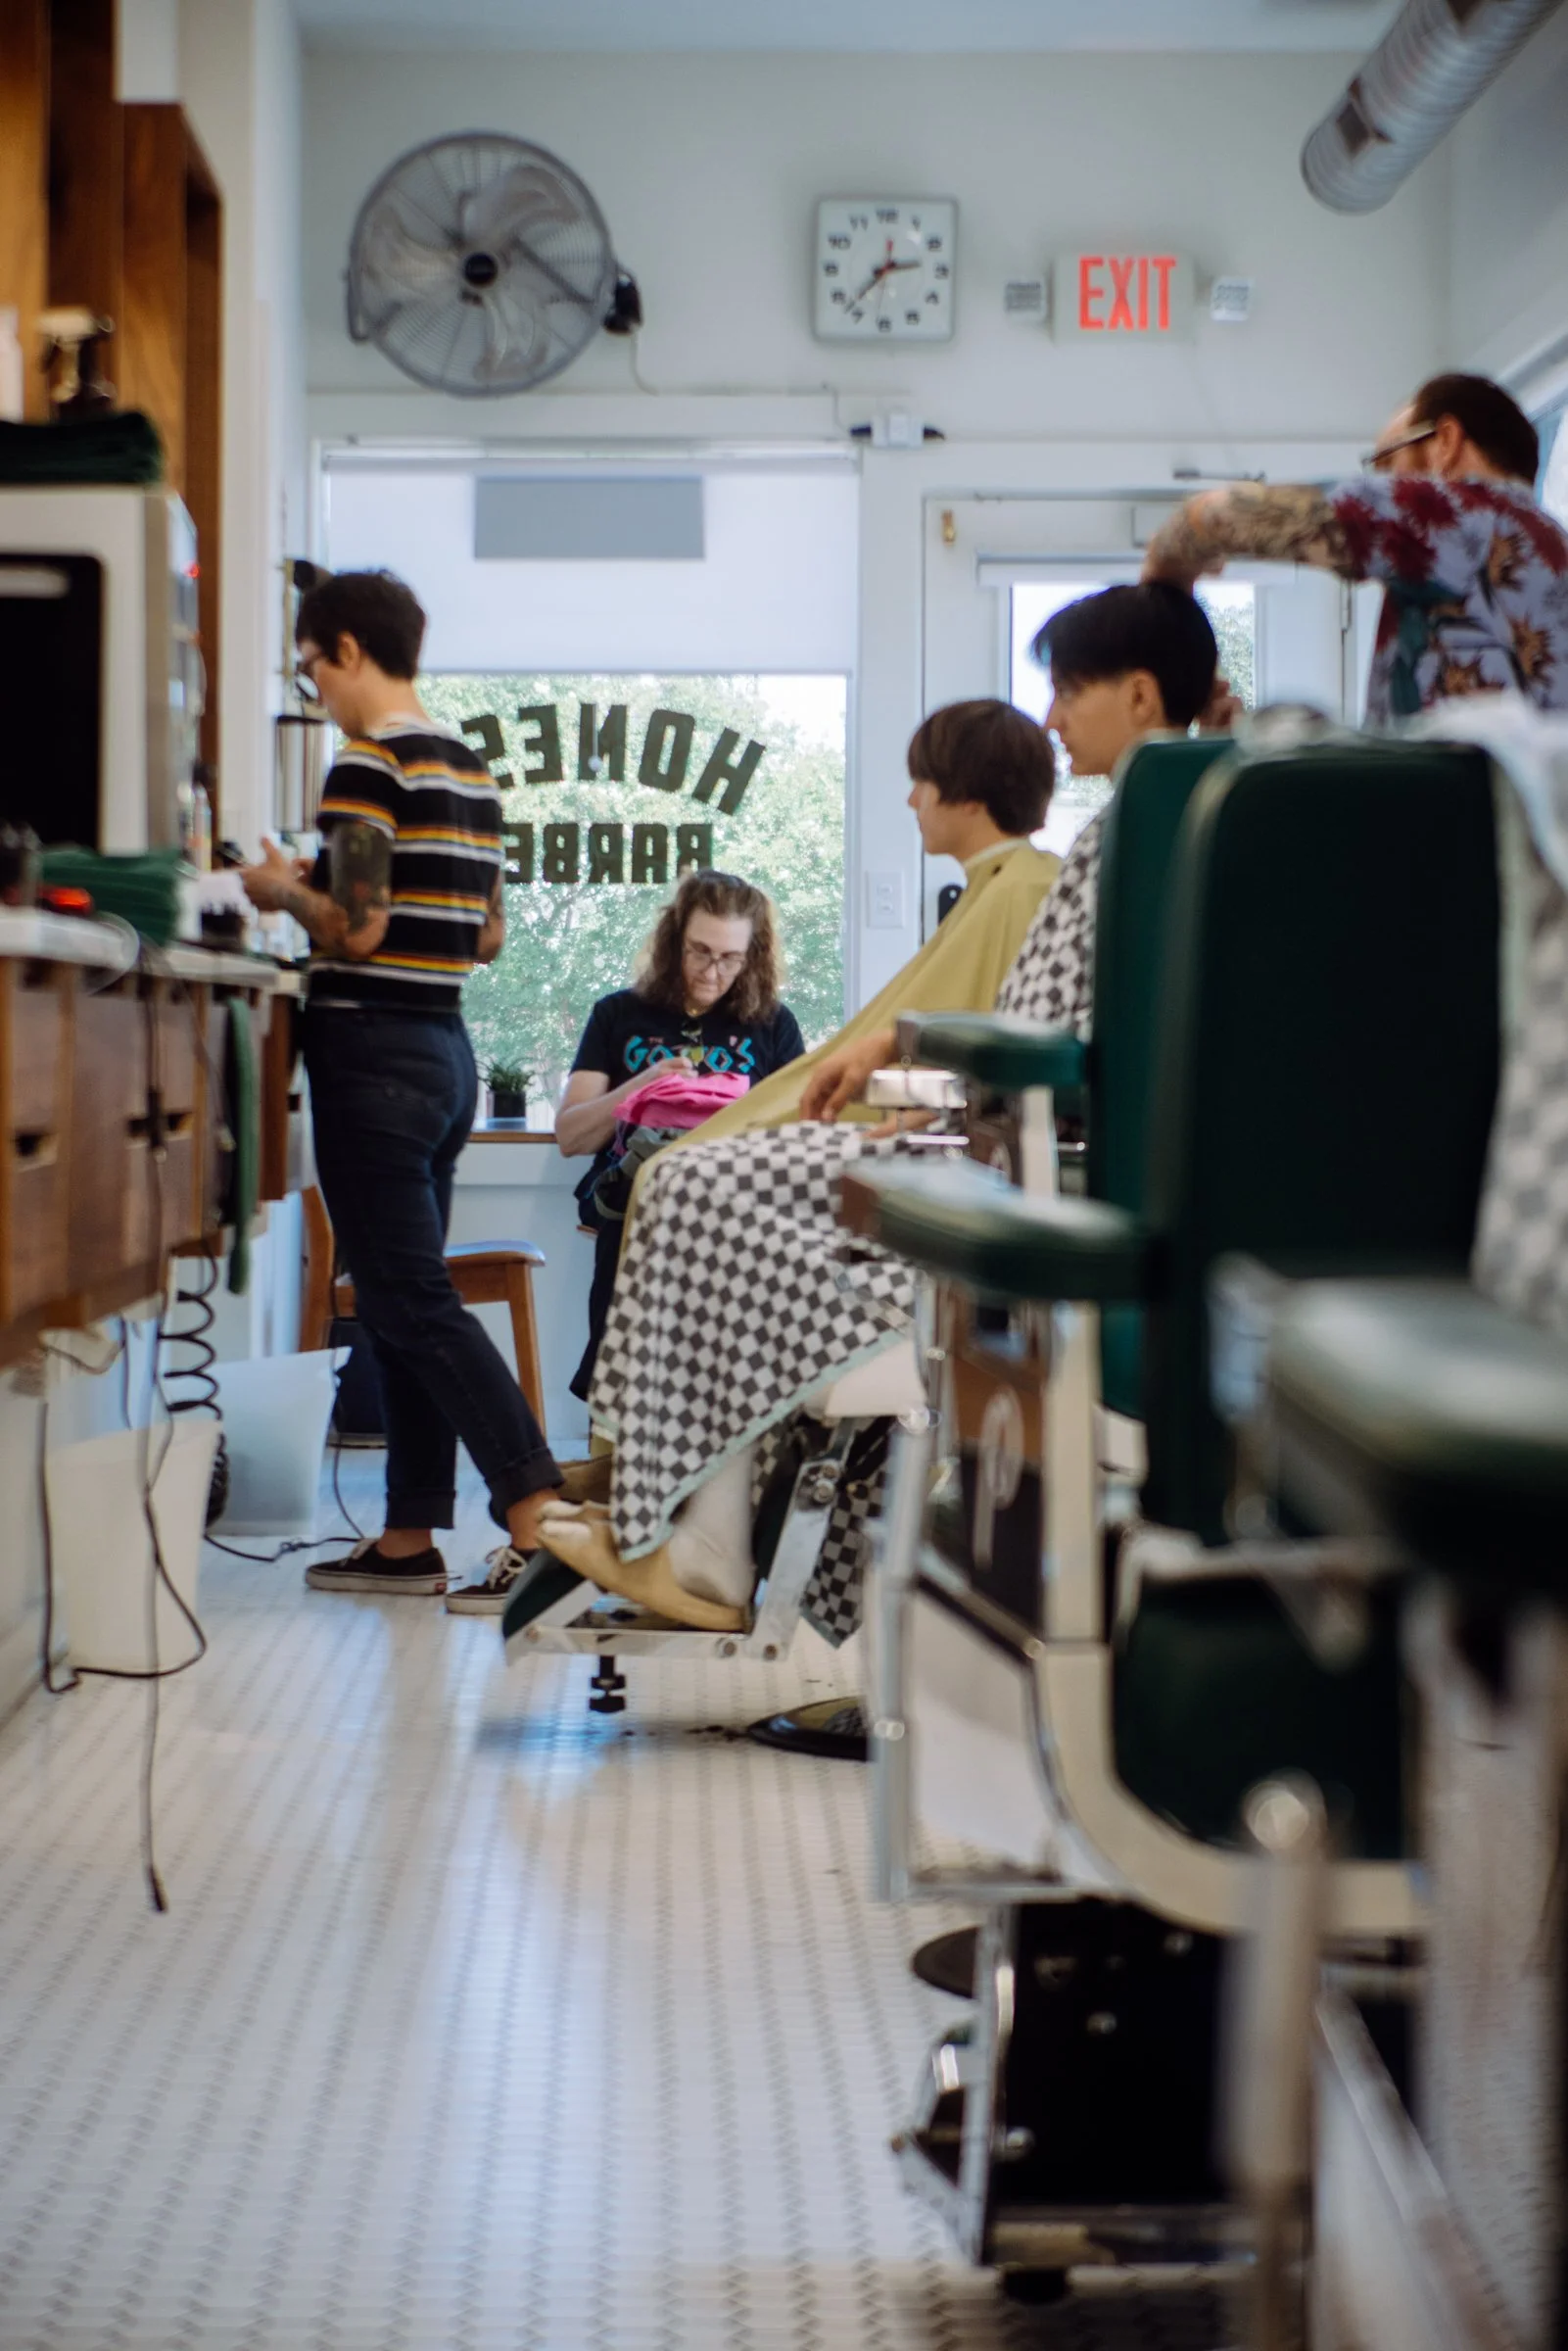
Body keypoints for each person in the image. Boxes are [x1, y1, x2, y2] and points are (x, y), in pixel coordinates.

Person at [530, 632, 1214, 1633]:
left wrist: (922, 1082)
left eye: (918, 783)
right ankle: (664, 1497)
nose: (907, 801)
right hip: (976, 1155)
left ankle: (680, 1517)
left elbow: (1027, 1046)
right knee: (689, 1186)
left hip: (999, 1186)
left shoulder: (1036, 882)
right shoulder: (1034, 878)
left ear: (959, 789)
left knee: (686, 1185)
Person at [239, 568, 563, 1616]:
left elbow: (357, 926)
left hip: (368, 1050)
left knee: (408, 1297)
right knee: (399, 1290)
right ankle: (407, 1533)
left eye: (311, 668)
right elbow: (489, 933)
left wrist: (280, 886)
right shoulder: (469, 771)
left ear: (344, 649)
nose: (316, 690)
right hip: (442, 1053)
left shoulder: (365, 765)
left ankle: (535, 1514)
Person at [1142, 372, 1568, 721]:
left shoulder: (1454, 512)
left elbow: (1232, 516)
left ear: (1446, 443)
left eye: (1386, 464)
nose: (1381, 487)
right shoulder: (1550, 548)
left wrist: (1168, 558)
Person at [556, 868, 806, 1420]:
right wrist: (642, 1087)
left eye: (730, 958)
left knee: (720, 1383)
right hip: (634, 1223)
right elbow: (570, 1136)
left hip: (735, 1232)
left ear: (752, 955)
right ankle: (614, 1480)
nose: (713, 972)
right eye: (699, 952)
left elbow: (797, 1142)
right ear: (674, 941)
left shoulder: (772, 1026)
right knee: (622, 1375)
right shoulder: (617, 1014)